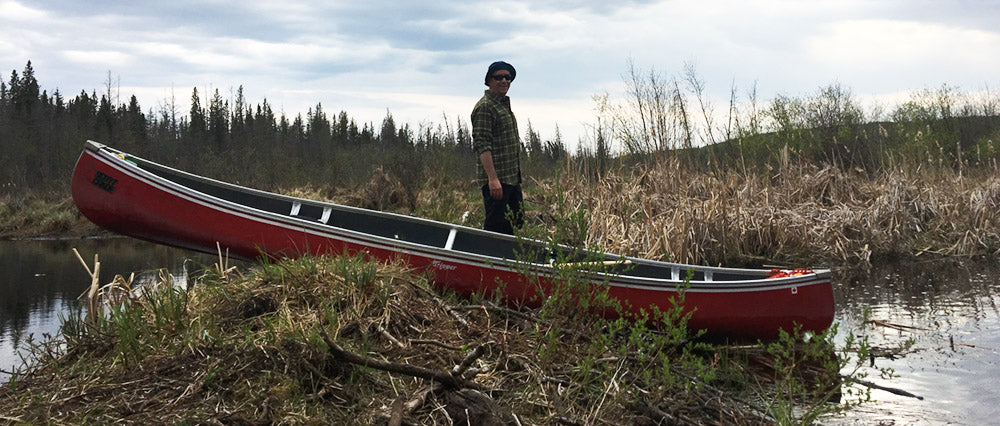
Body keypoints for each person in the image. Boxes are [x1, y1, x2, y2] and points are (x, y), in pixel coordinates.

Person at [472, 61, 524, 235]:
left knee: (515, 222)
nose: (504, 81)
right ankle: (488, 259)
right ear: (489, 81)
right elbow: (482, 144)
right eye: (499, 77)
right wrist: (493, 179)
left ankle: (509, 260)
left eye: (508, 78)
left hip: (511, 179)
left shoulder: (502, 105)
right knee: (495, 227)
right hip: (497, 181)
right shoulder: (485, 107)